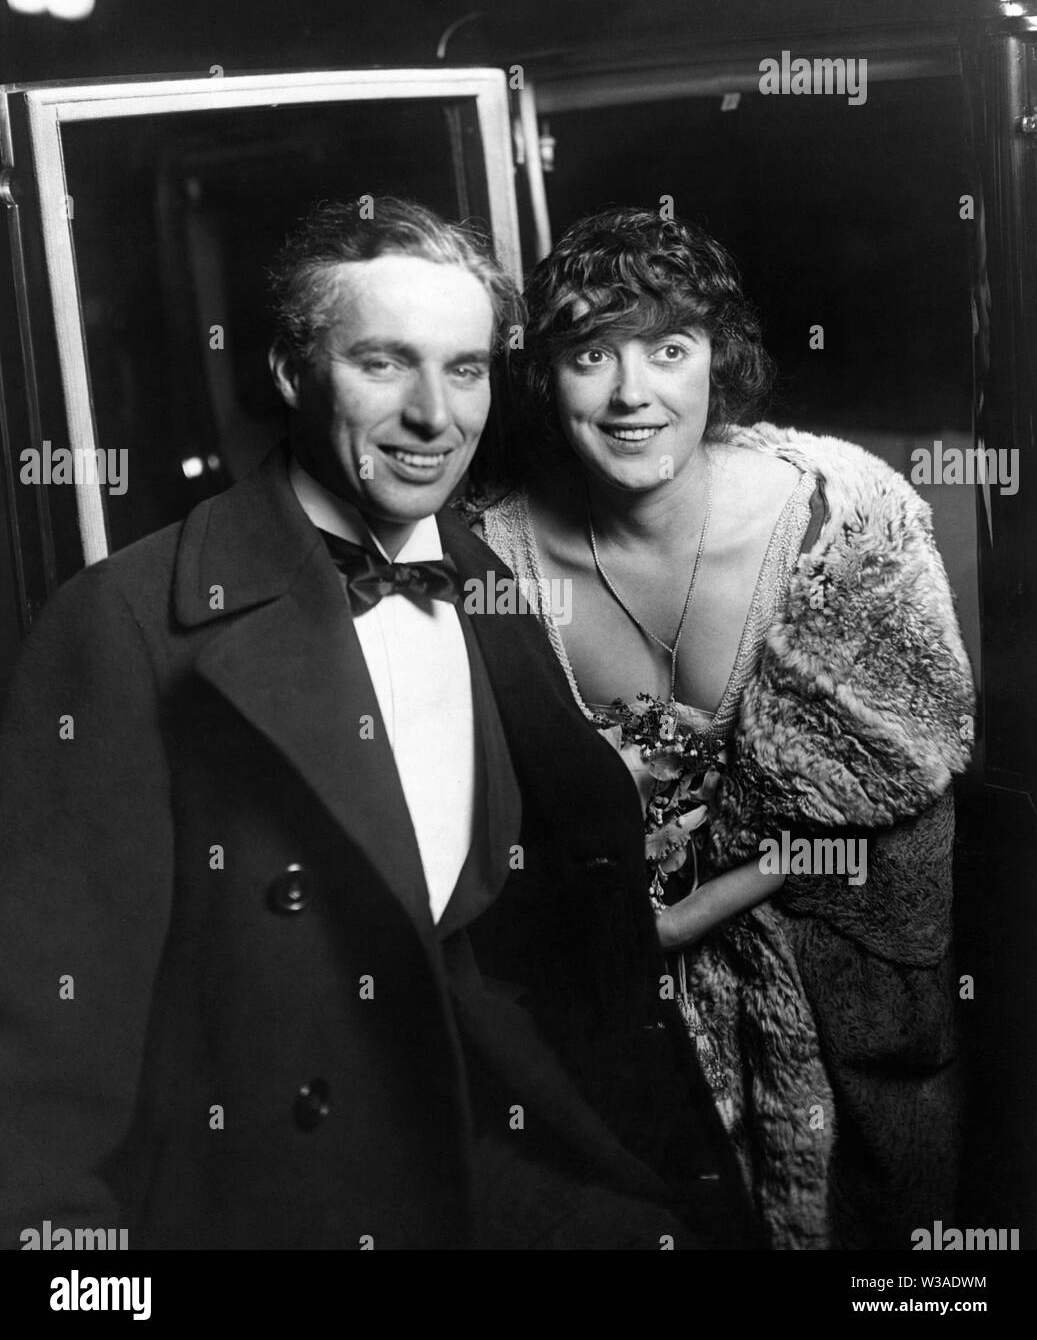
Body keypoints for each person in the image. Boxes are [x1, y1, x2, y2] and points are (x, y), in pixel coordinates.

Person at [0, 198, 757, 1250]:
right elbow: (42, 1039)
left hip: (492, 1155)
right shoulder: (124, 624)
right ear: (287, 373)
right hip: (274, 1200)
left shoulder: (483, 572)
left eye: (463, 368)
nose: (433, 415)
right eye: (382, 364)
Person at [464, 206, 976, 1249]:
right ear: (542, 374)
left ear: (716, 358)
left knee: (893, 1237)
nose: (630, 393)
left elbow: (897, 788)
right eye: (588, 354)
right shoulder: (489, 557)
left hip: (857, 988)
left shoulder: (842, 512)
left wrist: (690, 914)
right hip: (625, 1024)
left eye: (667, 348)